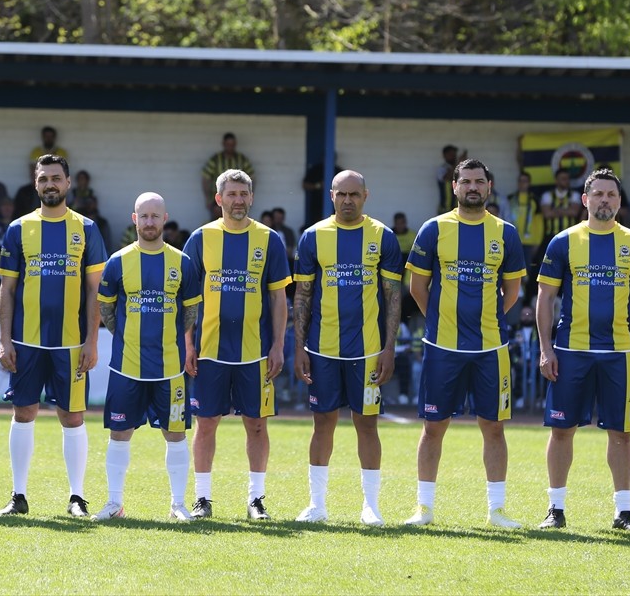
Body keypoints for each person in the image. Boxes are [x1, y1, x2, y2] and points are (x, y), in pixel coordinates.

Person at [403, 159, 527, 528]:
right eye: (465, 181)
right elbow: (418, 288)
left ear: (489, 186)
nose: (472, 187)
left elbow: (513, 290)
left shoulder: (505, 233)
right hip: (443, 347)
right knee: (433, 426)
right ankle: (423, 509)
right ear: (454, 187)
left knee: (493, 427)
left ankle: (497, 511)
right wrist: (443, 320)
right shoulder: (433, 229)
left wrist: (485, 319)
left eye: (479, 181)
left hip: (491, 348)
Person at [536, 168, 630, 531]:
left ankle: (624, 512)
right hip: (570, 351)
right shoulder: (564, 241)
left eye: (612, 195)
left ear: (620, 202)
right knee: (562, 431)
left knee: (622, 433)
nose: (605, 200)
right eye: (599, 194)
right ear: (585, 200)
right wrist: (546, 349)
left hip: (620, 354)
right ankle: (555, 509)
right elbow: (546, 298)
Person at [0, 154, 107, 518]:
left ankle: (76, 497)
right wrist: (4, 340)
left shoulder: (87, 229)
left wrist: (92, 340)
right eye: (43, 179)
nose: (50, 184)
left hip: (71, 344)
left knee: (72, 417)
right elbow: (7, 290)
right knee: (23, 412)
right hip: (26, 343)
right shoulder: (19, 228)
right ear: (36, 183)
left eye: (56, 178)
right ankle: (18, 495)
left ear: (68, 182)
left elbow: (94, 291)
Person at [291, 170, 403, 526]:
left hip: (368, 351)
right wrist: (299, 347)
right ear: (332, 196)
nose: (348, 200)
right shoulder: (313, 237)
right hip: (322, 350)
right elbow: (303, 296)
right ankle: (317, 505)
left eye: (355, 194)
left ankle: (371, 506)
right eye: (342, 194)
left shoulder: (382, 237)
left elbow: (392, 296)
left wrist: (388, 348)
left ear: (366, 196)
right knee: (322, 423)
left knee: (367, 425)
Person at [182, 169, 290, 520]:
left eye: (244, 194)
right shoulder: (200, 238)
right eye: (231, 194)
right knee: (206, 422)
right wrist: (187, 342)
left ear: (252, 197)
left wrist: (277, 346)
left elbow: (278, 299)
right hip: (210, 350)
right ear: (219, 199)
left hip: (254, 352)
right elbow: (187, 298)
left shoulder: (269, 239)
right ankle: (202, 499)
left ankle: (256, 500)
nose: (238, 200)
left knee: (257, 424)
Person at [91, 192, 202, 521]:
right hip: (127, 366)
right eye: (144, 216)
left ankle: (178, 504)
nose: (150, 222)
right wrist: (125, 335)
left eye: (156, 216)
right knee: (119, 433)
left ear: (164, 218)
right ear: (134, 218)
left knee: (176, 434)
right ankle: (114, 504)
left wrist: (171, 340)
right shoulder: (118, 261)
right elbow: (106, 308)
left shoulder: (182, 262)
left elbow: (190, 312)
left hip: (170, 367)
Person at [201, 134, 255, 222]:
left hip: (239, 194)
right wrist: (208, 198)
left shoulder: (241, 159)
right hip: (220, 196)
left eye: (232, 144)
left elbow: (252, 176)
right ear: (223, 144)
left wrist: (248, 194)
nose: (230, 147)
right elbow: (205, 178)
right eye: (228, 144)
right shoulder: (216, 159)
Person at [502, 171, 544, 284]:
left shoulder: (535, 200)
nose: (522, 184)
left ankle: (524, 299)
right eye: (520, 181)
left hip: (529, 242)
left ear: (529, 183)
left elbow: (539, 222)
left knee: (527, 272)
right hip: (513, 240)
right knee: (511, 269)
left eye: (525, 181)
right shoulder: (510, 199)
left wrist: (537, 242)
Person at [540, 167, 581, 242]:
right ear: (556, 181)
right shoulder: (547, 195)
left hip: (571, 235)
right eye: (563, 179)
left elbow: (574, 212)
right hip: (551, 236)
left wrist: (555, 210)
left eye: (567, 178)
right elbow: (547, 214)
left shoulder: (575, 195)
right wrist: (566, 210)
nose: (566, 181)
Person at [435, 145, 462, 213]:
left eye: (454, 154)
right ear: (444, 155)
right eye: (451, 154)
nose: (453, 156)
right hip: (445, 206)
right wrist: (458, 164)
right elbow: (446, 178)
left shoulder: (460, 168)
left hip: (457, 207)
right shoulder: (442, 168)